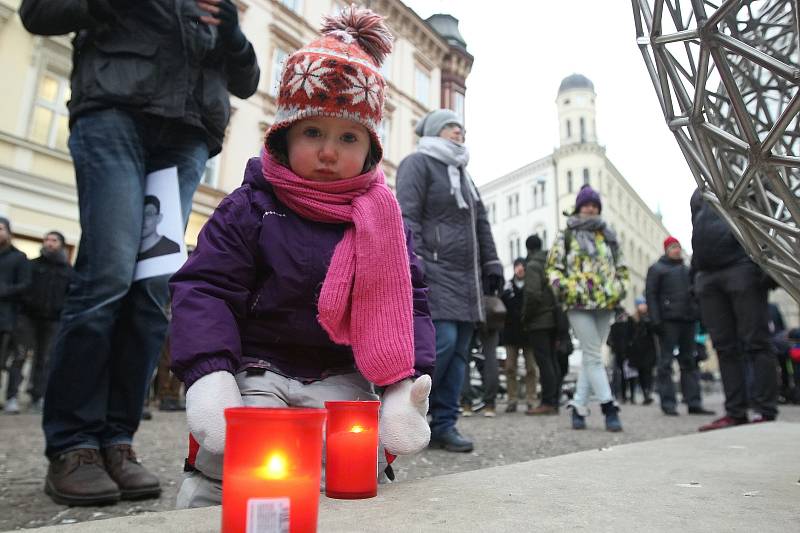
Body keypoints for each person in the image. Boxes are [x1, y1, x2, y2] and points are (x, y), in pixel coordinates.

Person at [169, 6, 435, 508]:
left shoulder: (383, 219)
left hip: (342, 372)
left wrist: (401, 387)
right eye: (313, 133)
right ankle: (208, 503)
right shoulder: (250, 205)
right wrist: (210, 373)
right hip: (257, 366)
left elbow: (409, 306)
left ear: (371, 149)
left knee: (348, 472)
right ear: (285, 134)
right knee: (236, 459)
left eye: (348, 137)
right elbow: (205, 288)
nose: (329, 152)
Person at [19, 0, 260, 506]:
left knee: (152, 291)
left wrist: (233, 36)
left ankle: (117, 439)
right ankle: (74, 443)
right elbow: (37, 12)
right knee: (107, 273)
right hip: (114, 112)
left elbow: (246, 80)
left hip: (186, 133)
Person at [396, 108, 503, 452]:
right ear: (434, 131)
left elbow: (481, 224)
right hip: (434, 271)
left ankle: (445, 424)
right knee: (439, 345)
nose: (459, 132)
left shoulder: (464, 175)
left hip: (467, 278)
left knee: (459, 353)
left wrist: (492, 262)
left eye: (460, 128)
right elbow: (407, 214)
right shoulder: (418, 163)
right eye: (451, 127)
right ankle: (406, 414)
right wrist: (416, 260)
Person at [690, 189, 779, 431]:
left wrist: (767, 269)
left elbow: (772, 219)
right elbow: (695, 235)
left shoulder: (744, 176)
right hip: (707, 275)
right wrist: (694, 277)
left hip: (743, 266)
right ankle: (735, 411)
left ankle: (765, 409)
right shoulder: (699, 193)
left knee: (756, 341)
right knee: (724, 346)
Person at [547, 184, 627, 432]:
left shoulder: (608, 235)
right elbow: (553, 267)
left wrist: (620, 287)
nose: (590, 209)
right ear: (579, 207)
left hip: (606, 301)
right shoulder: (567, 234)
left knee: (592, 355)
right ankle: (609, 407)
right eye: (586, 204)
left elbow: (621, 265)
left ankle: (579, 407)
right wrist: (564, 287)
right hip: (578, 301)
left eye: (594, 205)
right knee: (593, 354)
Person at [646, 236, 714, 416]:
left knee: (689, 362)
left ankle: (694, 402)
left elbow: (696, 294)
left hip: (688, 320)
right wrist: (656, 320)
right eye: (673, 247)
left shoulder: (687, 270)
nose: (677, 250)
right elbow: (651, 295)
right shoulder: (657, 269)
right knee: (665, 363)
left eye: (678, 247)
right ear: (667, 249)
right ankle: (668, 403)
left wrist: (700, 316)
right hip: (667, 321)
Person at [16, 232, 72, 413]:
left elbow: (70, 296)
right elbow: (23, 287)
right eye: (46, 240)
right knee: (20, 355)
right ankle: (12, 395)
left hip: (53, 321)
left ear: (61, 245)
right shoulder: (32, 265)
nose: (49, 243)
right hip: (29, 318)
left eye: (54, 240)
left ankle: (38, 396)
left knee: (45, 359)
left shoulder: (68, 271)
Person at [522, 235, 560, 415]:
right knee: (552, 360)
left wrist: (526, 316)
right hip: (554, 319)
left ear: (528, 249)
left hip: (539, 321)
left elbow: (532, 294)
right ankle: (554, 400)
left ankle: (548, 402)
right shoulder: (549, 263)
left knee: (544, 362)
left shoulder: (532, 266)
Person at [0, 217, 32, 415]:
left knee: (13, 360)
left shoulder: (19, 258)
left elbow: (25, 285)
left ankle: (11, 396)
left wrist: (4, 290)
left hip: (9, 318)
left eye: (1, 228)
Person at [501, 258, 539, 413]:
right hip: (511, 333)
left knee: (531, 368)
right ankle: (512, 399)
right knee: (510, 367)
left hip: (529, 332)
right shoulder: (507, 286)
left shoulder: (531, 285)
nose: (520, 269)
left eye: (522, 266)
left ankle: (531, 398)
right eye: (517, 266)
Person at [627, 298, 658, 405]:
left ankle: (647, 393)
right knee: (640, 373)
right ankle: (643, 393)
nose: (643, 306)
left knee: (648, 372)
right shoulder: (632, 319)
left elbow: (654, 331)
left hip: (648, 349)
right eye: (641, 304)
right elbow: (630, 335)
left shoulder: (650, 317)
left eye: (644, 304)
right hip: (637, 350)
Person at [137, 196, 181, 261]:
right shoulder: (128, 245)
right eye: (140, 214)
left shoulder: (173, 249)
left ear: (159, 218)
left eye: (149, 214)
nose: (144, 219)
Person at [607, 308, 633, 403]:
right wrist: (614, 346)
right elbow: (609, 341)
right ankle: (622, 395)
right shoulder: (614, 327)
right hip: (619, 353)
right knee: (619, 374)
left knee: (629, 374)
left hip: (628, 353)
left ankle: (628, 395)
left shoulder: (628, 325)